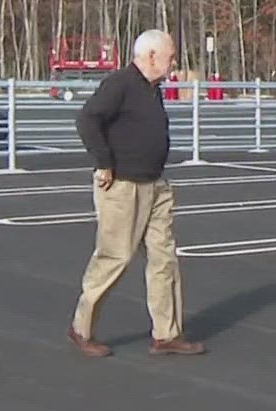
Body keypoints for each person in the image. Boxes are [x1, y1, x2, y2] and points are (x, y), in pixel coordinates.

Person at [67, 29, 203, 357]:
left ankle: (166, 334)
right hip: (123, 188)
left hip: (155, 185)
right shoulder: (121, 84)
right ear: (151, 55)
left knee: (164, 259)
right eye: (170, 57)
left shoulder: (152, 89)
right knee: (114, 257)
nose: (174, 64)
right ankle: (81, 328)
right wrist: (103, 163)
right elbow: (87, 120)